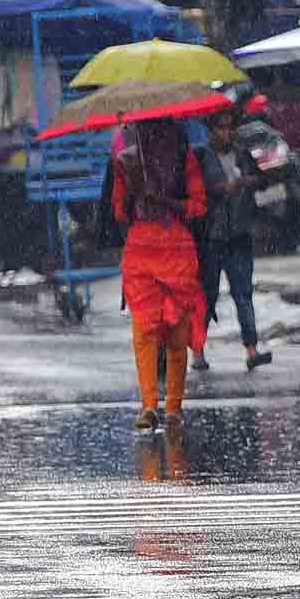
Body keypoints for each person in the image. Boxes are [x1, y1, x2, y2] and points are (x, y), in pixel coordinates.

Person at [113, 118, 208, 430]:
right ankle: (151, 405)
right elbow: (119, 210)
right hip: (142, 252)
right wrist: (133, 182)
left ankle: (173, 407)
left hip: (176, 251)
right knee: (146, 331)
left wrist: (165, 200)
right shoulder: (127, 154)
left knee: (176, 334)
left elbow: (198, 205)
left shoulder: (184, 154)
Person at [194, 108, 276, 372]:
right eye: (220, 128)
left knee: (243, 294)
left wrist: (247, 182)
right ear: (211, 130)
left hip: (239, 234)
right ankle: (197, 350)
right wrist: (218, 191)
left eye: (229, 128)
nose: (226, 133)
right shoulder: (201, 157)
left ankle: (251, 349)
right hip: (212, 237)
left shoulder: (242, 154)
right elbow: (196, 191)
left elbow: (263, 180)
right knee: (208, 295)